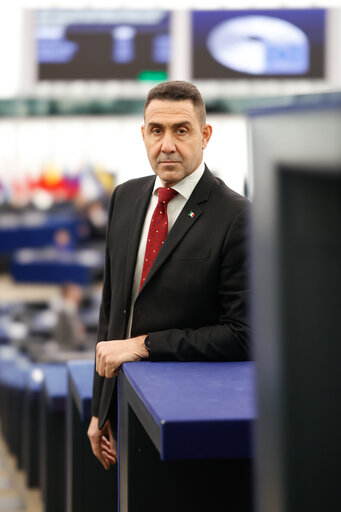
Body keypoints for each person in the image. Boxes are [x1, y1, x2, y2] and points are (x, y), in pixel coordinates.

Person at [87, 80, 251, 470]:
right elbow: (112, 312)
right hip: (126, 408)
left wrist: (144, 345)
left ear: (205, 135)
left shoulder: (237, 216)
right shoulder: (125, 198)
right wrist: (99, 408)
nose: (167, 145)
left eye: (182, 130)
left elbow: (243, 336)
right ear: (143, 134)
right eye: (156, 131)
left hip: (189, 418)